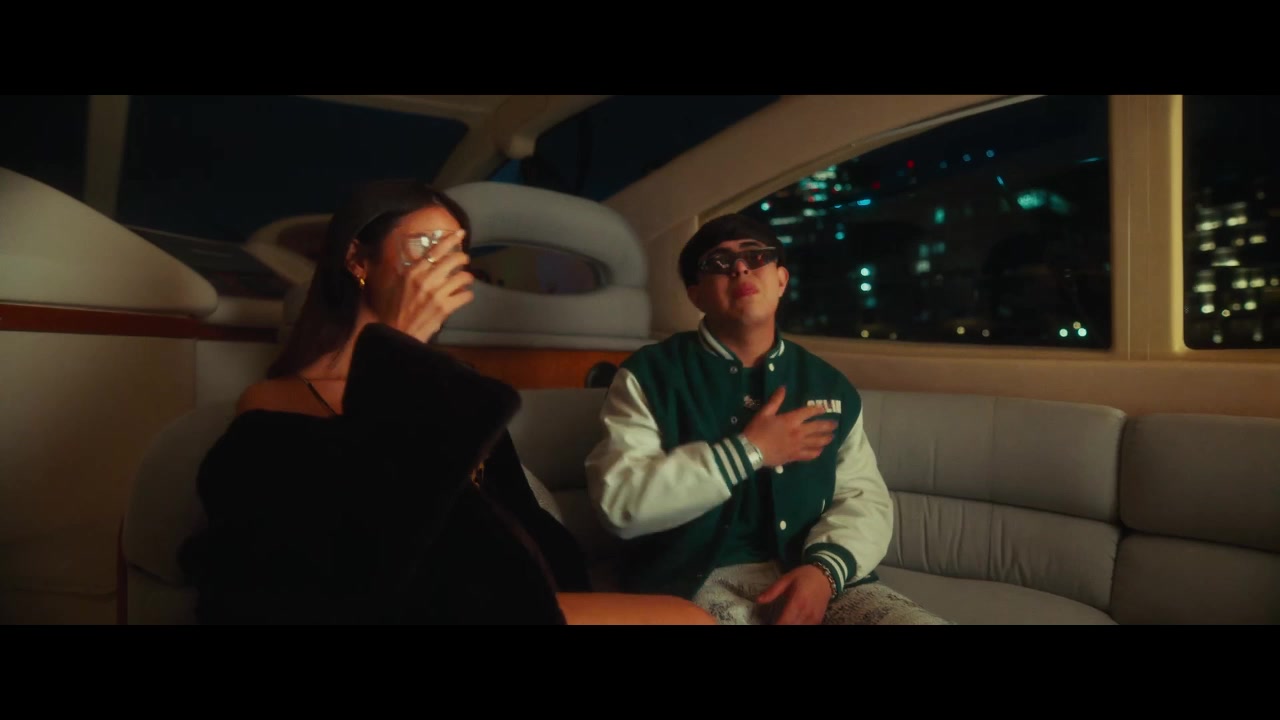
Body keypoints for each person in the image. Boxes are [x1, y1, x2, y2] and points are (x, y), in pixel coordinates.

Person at [178, 178, 714, 625]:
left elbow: (516, 521)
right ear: (358, 259)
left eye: (456, 252)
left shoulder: (455, 387)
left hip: (497, 598)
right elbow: (345, 551)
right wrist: (400, 345)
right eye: (425, 246)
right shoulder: (278, 400)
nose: (444, 267)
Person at [584, 213, 949, 625]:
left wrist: (824, 573)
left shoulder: (827, 384)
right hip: (690, 581)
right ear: (696, 294)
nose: (740, 268)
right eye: (718, 263)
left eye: (756, 256)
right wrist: (749, 451)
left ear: (781, 279)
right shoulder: (650, 375)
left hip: (814, 572)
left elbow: (862, 497)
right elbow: (620, 503)